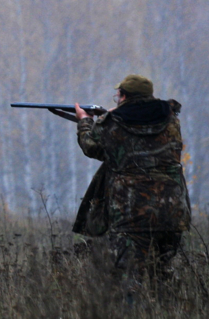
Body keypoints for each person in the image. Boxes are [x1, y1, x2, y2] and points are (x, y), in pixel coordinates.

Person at [71, 74, 191, 287]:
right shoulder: (172, 119)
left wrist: (85, 122)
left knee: (126, 277)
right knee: (162, 273)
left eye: (117, 95)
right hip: (172, 209)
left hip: (130, 212)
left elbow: (92, 147)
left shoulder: (113, 122)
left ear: (124, 96)